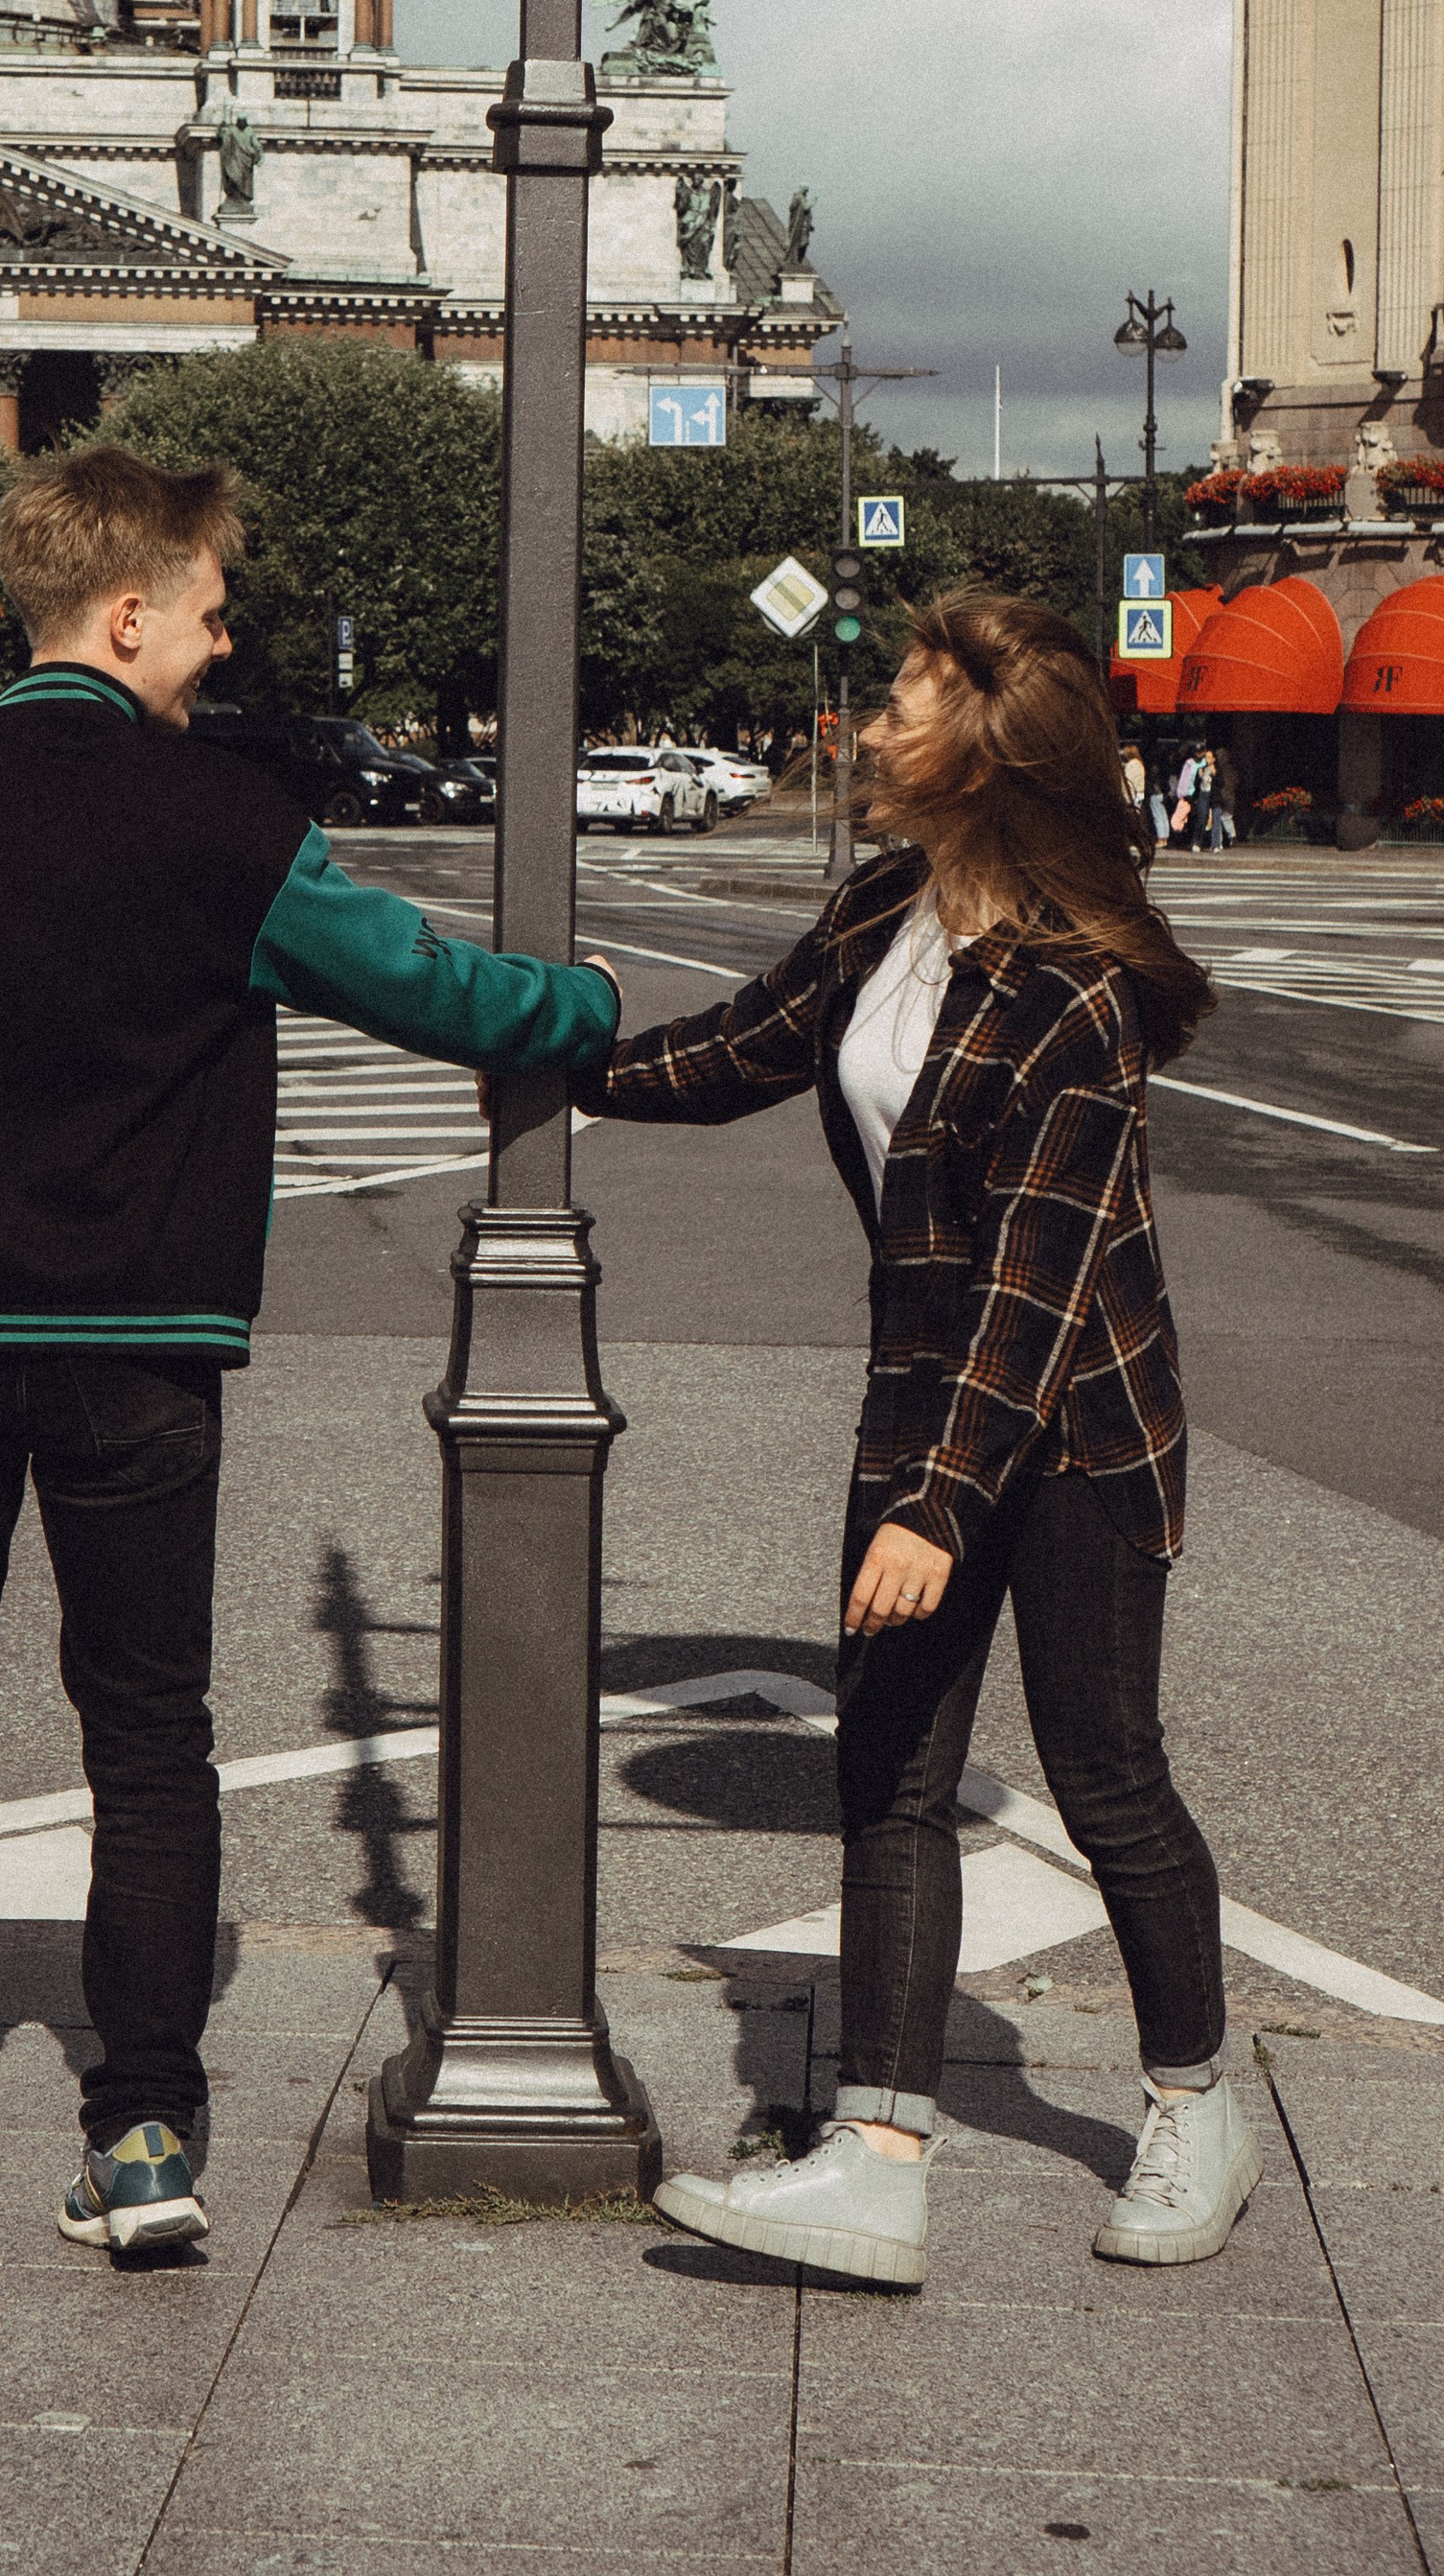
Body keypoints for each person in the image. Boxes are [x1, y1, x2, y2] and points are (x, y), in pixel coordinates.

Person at [0, 446, 618, 2256]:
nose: (223, 639)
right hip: (138, 1342)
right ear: (124, 612)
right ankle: (148, 2131)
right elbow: (426, 985)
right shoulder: (229, 821)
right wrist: (588, 1013)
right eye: (207, 608)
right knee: (149, 1731)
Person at [572, 593, 1246, 2291]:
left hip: (1076, 1433)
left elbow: (1036, 1287)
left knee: (1108, 1773)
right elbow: (742, 1049)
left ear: (987, 752)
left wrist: (940, 1507)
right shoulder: (888, 908)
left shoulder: (1077, 995)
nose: (871, 726)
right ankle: (877, 2158)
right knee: (889, 1774)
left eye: (904, 701)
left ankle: (1194, 2102)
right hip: (921, 1412)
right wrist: (551, 1046)